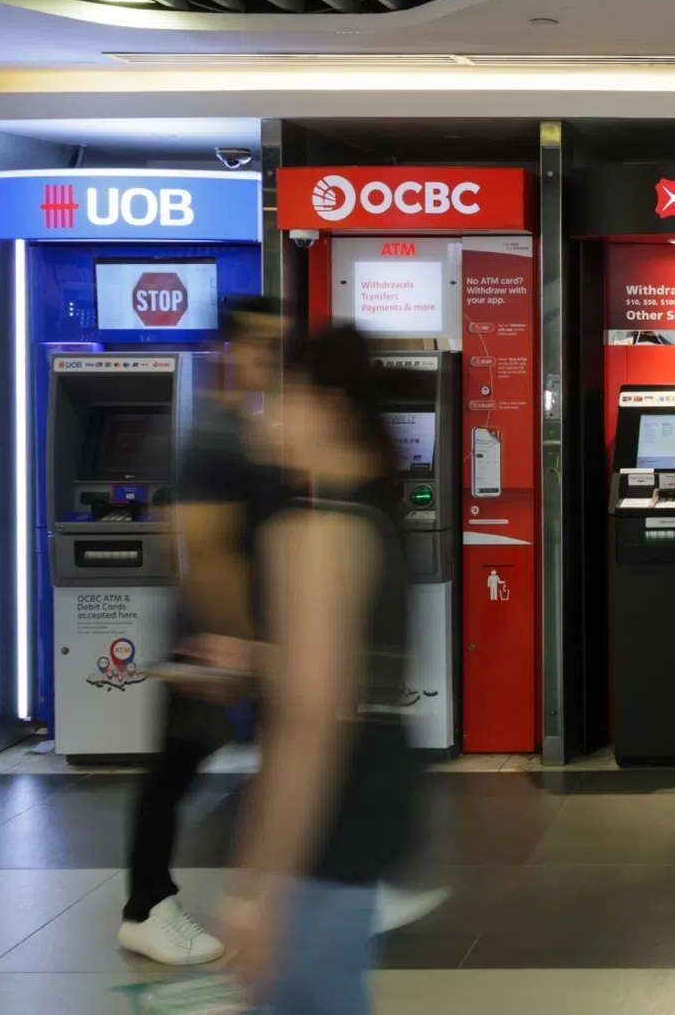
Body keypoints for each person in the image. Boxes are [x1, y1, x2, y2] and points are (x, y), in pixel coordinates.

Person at [221, 324, 417, 1014]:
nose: (264, 413)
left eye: (280, 397)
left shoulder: (311, 532)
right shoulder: (369, 515)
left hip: (325, 817)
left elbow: (308, 726)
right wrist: (262, 658)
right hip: (373, 797)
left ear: (330, 409)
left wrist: (256, 888)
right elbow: (347, 670)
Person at [118, 297, 287, 966]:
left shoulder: (243, 428)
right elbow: (202, 548)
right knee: (174, 772)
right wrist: (236, 643)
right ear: (228, 351)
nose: (272, 360)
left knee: (292, 753)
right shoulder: (216, 434)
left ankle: (332, 878)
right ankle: (146, 908)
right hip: (214, 643)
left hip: (236, 639)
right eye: (263, 346)